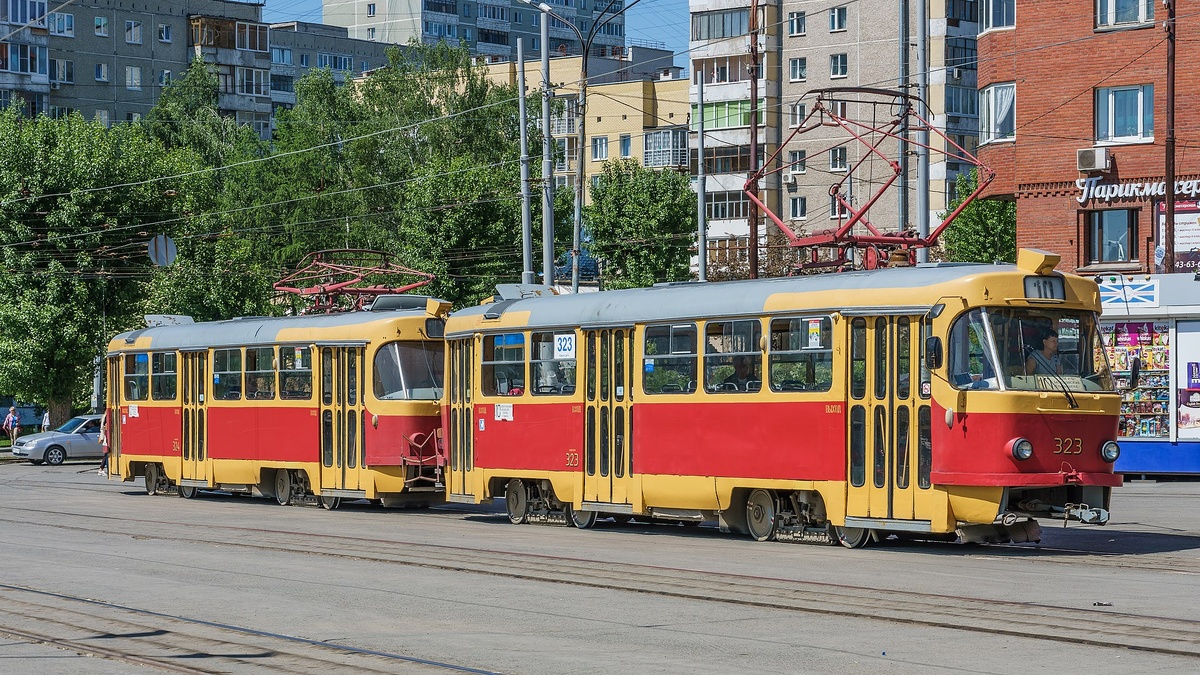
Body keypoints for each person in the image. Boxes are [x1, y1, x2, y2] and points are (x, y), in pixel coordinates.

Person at [97, 409, 110, 477]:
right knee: (106, 454)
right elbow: (104, 428)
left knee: (106, 454)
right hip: (106, 439)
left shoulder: (104, 416)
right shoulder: (106, 417)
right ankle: (101, 469)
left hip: (105, 438)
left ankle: (102, 469)